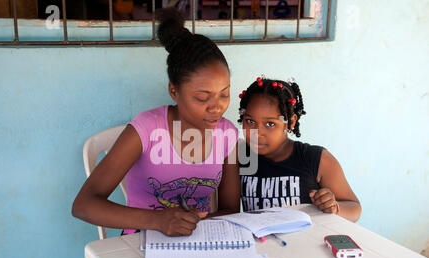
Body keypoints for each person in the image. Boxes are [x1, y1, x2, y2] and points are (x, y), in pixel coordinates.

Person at [72, 8, 240, 236]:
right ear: (174, 91)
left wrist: (197, 224)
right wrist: (159, 220)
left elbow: (230, 209)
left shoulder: (227, 135)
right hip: (140, 242)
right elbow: (84, 205)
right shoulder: (148, 129)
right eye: (202, 97)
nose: (216, 107)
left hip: (197, 242)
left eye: (224, 94)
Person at [238, 76, 361, 222]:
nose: (257, 132)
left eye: (270, 124)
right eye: (250, 121)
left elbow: (354, 208)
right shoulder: (239, 156)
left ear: (291, 122)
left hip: (307, 243)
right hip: (260, 244)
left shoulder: (316, 158)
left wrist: (334, 207)